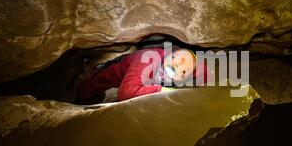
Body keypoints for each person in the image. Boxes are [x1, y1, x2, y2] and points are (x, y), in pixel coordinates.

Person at [75, 47, 209, 103]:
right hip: (119, 70)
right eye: (165, 69)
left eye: (171, 75)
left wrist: (206, 82)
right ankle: (79, 90)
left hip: (144, 75)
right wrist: (160, 89)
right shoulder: (147, 59)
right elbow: (124, 93)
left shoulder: (186, 66)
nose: (165, 76)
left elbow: (199, 67)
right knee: (89, 89)